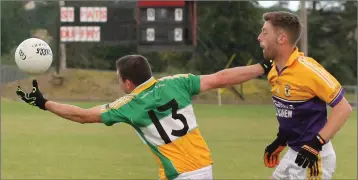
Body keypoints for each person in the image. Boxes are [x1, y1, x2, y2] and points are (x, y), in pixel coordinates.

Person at [16, 54, 273, 180]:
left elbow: (83, 116)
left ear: (128, 83)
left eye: (119, 79)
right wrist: (263, 66)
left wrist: (44, 103)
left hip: (181, 174)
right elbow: (220, 78)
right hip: (204, 167)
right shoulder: (178, 83)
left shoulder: (129, 105)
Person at [257, 11, 352, 180]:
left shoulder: (308, 70)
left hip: (314, 157)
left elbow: (343, 108)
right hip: (294, 152)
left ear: (281, 38)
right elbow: (292, 113)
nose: (259, 37)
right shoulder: (274, 72)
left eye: (265, 32)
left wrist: (316, 144)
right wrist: (281, 139)